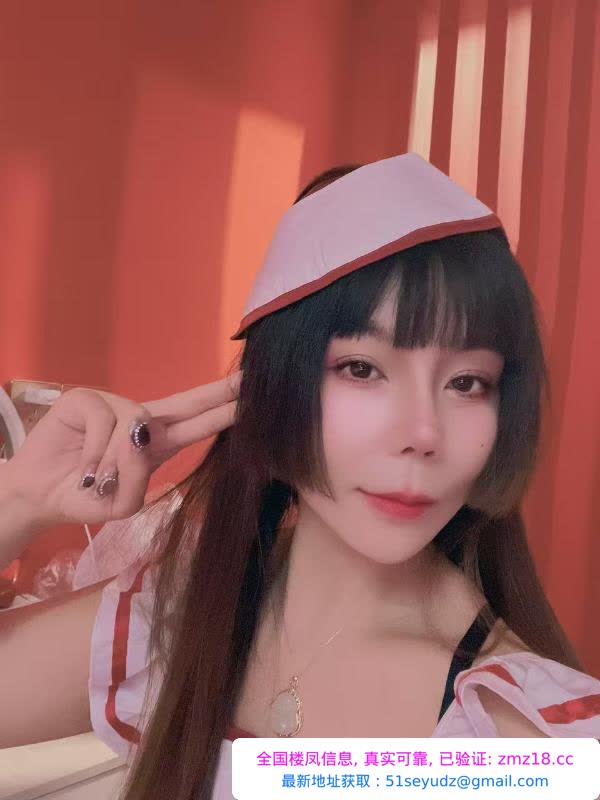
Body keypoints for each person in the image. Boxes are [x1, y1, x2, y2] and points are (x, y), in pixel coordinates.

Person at [0, 153, 599, 800]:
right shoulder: (174, 620)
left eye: (467, 383)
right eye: (362, 369)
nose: (424, 434)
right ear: (269, 385)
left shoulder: (521, 740)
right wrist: (19, 501)